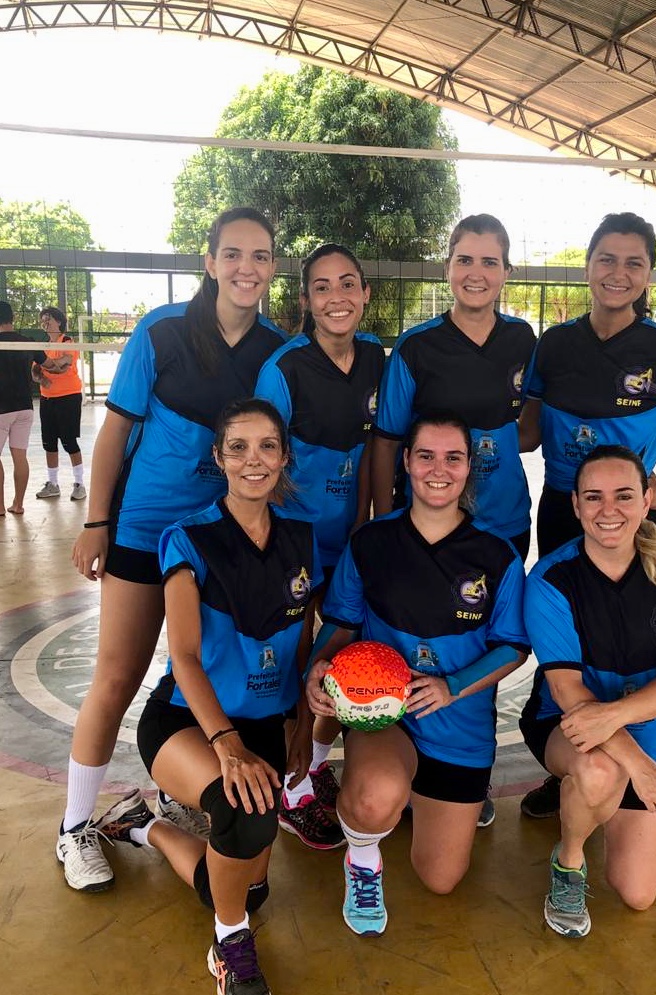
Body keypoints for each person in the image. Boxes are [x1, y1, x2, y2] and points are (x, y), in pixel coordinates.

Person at [59, 207, 287, 894]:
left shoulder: (274, 349)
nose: (247, 267)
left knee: (202, 669)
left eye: (261, 255)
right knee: (116, 676)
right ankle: (74, 829)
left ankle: (170, 797)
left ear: (273, 267)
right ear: (210, 261)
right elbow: (113, 433)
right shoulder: (160, 332)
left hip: (219, 538)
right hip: (140, 529)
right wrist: (97, 521)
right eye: (234, 254)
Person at [517, 211, 656, 829]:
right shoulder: (554, 345)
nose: (618, 273)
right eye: (607, 260)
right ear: (588, 267)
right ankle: (563, 766)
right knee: (565, 648)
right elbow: (528, 432)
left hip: (636, 520)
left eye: (633, 263)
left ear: (647, 276)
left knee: (650, 650)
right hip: (566, 510)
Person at [96, 398, 320, 995]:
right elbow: (187, 657)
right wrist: (229, 749)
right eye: (239, 447)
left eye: (268, 446)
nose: (254, 460)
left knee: (252, 887)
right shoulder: (188, 539)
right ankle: (229, 946)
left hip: (265, 723)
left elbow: (301, 641)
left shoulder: (302, 538)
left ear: (284, 457)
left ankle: (142, 825)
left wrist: (303, 727)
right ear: (218, 458)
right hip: (188, 722)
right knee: (243, 812)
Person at [306, 412, 529, 936]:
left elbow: (513, 647)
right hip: (391, 717)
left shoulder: (497, 554)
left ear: (469, 468)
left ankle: (413, 800)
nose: (438, 469)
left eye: (453, 457)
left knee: (440, 878)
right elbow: (340, 620)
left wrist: (452, 686)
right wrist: (317, 669)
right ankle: (363, 859)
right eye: (425, 455)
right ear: (405, 463)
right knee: (373, 795)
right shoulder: (372, 542)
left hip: (460, 730)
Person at [371, 213, 536, 827]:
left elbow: (534, 420)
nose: (476, 272)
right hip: (423, 524)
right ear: (448, 268)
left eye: (489, 261)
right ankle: (398, 758)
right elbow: (388, 437)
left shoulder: (524, 342)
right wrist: (385, 518)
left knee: (482, 646)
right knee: (409, 635)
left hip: (502, 522)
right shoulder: (417, 347)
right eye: (465, 259)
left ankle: (469, 771)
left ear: (506, 272)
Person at [520, 445, 656, 938]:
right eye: (594, 497)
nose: (609, 510)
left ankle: (597, 799)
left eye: (624, 495)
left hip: (639, 731)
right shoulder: (550, 581)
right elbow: (569, 695)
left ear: (648, 501)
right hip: (565, 724)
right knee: (597, 771)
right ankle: (569, 859)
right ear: (576, 505)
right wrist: (644, 771)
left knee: (637, 893)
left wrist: (620, 725)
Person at [256, 243, 385, 849]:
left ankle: (311, 773)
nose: (337, 297)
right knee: (295, 666)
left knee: (338, 666)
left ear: (364, 293)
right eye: (322, 287)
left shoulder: (378, 360)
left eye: (348, 284)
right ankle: (292, 789)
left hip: (351, 543)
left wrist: (365, 525)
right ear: (306, 301)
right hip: (292, 544)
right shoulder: (285, 369)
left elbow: (374, 453)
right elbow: (262, 459)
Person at [0, 300, 49, 515]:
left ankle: (0, 507)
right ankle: (18, 505)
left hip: (1, 409)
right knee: (20, 456)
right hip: (25, 408)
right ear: (11, 318)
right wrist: (62, 364)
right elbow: (51, 366)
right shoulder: (27, 341)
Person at [32, 306, 85, 501]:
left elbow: (64, 364)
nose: (45, 322)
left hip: (68, 397)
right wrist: (44, 376)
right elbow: (36, 373)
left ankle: (79, 484)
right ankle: (53, 484)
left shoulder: (68, 342)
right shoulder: (43, 347)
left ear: (59, 322)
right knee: (49, 443)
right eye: (42, 320)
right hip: (47, 399)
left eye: (49, 319)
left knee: (69, 441)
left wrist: (49, 369)